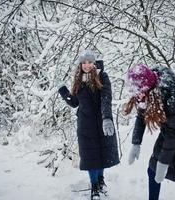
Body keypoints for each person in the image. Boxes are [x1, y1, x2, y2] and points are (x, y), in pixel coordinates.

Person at [124, 64, 175, 200]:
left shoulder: (172, 97)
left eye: (138, 92)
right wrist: (136, 143)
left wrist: (163, 163)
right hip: (168, 138)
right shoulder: (145, 95)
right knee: (152, 171)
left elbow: (173, 135)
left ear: (147, 87)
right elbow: (141, 116)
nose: (137, 96)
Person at [58, 50, 120, 200]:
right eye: (83, 63)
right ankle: (94, 187)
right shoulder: (79, 80)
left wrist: (107, 118)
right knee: (91, 156)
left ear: (94, 63)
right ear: (81, 64)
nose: (86, 65)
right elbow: (74, 103)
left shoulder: (102, 76)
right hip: (85, 124)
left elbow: (106, 98)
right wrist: (63, 91)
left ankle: (100, 181)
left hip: (102, 122)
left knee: (102, 154)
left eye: (89, 62)